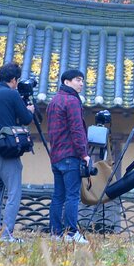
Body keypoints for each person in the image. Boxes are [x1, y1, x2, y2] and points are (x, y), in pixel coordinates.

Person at [0, 62, 34, 243]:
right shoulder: (12, 94)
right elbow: (26, 118)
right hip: (5, 150)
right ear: (13, 79)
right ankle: (6, 235)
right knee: (13, 192)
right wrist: (30, 110)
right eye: (16, 80)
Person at [45, 68, 88, 244]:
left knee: (58, 196)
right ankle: (71, 233)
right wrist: (84, 153)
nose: (81, 83)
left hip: (56, 155)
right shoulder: (72, 101)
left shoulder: (53, 101)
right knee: (72, 196)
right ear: (66, 82)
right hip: (70, 154)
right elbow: (77, 129)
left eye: (82, 80)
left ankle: (55, 233)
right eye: (78, 80)